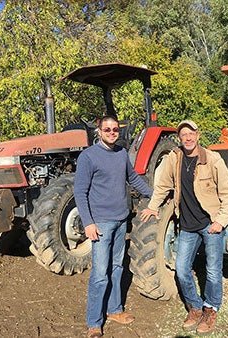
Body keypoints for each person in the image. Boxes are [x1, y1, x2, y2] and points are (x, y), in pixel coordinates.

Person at [140, 120, 228, 335]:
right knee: (182, 270)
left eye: (191, 133)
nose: (188, 137)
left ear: (198, 135)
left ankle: (211, 309)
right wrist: (153, 206)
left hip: (210, 223)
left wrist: (220, 221)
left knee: (213, 271)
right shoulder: (174, 158)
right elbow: (163, 185)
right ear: (180, 138)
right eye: (184, 134)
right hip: (187, 225)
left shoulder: (212, 159)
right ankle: (194, 306)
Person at [74, 115, 153, 338]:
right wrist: (88, 222)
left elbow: (134, 179)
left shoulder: (121, 153)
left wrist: (154, 195)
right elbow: (80, 192)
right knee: (100, 273)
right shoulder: (88, 156)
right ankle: (94, 322)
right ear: (99, 131)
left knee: (117, 267)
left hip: (121, 220)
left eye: (115, 129)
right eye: (107, 129)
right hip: (100, 223)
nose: (111, 132)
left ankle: (114, 310)